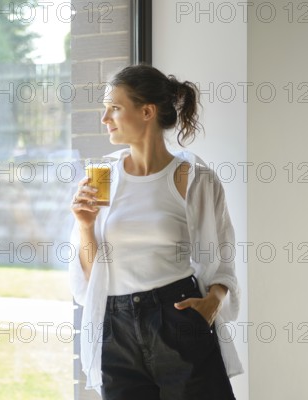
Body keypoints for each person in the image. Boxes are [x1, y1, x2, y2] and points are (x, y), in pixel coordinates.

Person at [69, 64, 243, 400]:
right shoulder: (103, 177)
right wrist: (85, 226)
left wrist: (211, 304)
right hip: (115, 327)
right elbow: (91, 278)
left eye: (115, 108)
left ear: (147, 111)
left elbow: (221, 259)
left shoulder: (193, 179)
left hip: (175, 316)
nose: (105, 118)